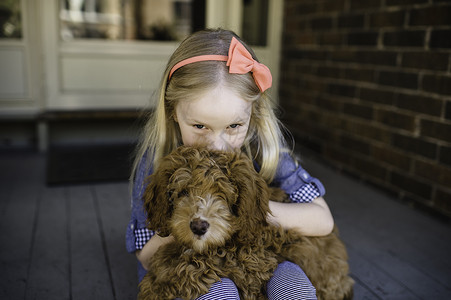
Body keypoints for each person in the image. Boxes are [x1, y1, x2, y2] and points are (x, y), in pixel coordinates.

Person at [126, 28, 334, 299]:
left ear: (253, 114)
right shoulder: (156, 159)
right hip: (184, 269)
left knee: (294, 287)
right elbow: (145, 255)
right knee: (217, 292)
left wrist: (250, 209)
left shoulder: (263, 148)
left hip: (258, 260)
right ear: (173, 111)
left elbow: (323, 220)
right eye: (200, 126)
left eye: (234, 126)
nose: (217, 145)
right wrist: (187, 216)